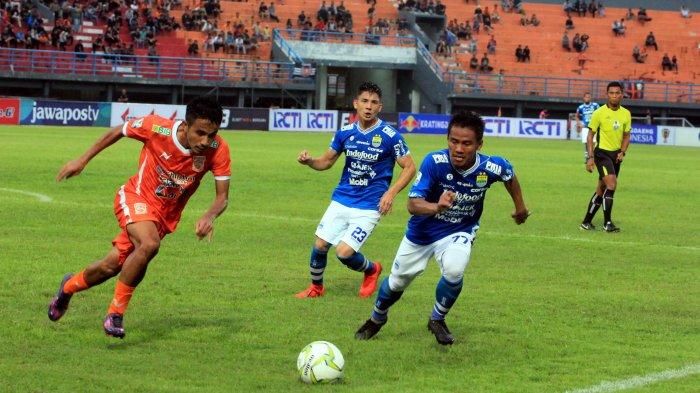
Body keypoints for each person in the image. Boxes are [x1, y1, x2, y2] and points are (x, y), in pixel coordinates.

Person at [47, 96, 231, 338]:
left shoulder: (218, 149)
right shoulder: (156, 127)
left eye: (212, 135)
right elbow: (119, 131)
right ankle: (115, 314)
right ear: (185, 126)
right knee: (149, 244)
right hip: (135, 197)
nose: (206, 141)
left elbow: (222, 198)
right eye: (200, 133)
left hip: (163, 218)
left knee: (110, 266)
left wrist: (209, 216)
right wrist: (83, 159)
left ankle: (67, 288)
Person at [354, 110, 529, 345]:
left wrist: (520, 208)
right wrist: (437, 206)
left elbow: (509, 175)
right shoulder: (434, 162)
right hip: (422, 232)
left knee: (455, 269)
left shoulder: (491, 166)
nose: (458, 148)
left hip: (459, 230)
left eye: (466, 143)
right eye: (453, 141)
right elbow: (412, 204)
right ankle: (377, 318)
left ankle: (437, 318)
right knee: (397, 282)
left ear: (479, 144)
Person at [295, 82, 416, 299]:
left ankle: (371, 270)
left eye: (374, 103)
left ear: (380, 107)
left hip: (370, 205)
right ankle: (316, 288)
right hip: (342, 198)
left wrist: (390, 193)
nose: (369, 106)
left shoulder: (390, 135)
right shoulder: (345, 133)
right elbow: (326, 162)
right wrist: (310, 161)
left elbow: (410, 167)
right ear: (355, 104)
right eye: (364, 101)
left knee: (344, 253)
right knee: (320, 244)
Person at [580, 81, 631, 233]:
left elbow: (627, 135)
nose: (614, 96)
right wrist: (590, 157)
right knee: (612, 185)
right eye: (611, 93)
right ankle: (607, 223)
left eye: (617, 93)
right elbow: (590, 136)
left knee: (602, 189)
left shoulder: (626, 114)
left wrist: (622, 151)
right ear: (607, 94)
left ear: (622, 94)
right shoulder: (599, 113)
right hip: (601, 154)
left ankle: (586, 222)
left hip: (616, 156)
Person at [575, 92, 600, 161]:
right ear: (584, 98)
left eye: (589, 97)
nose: (587, 98)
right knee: (586, 142)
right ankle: (587, 156)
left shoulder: (595, 105)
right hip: (585, 127)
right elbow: (576, 116)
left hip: (594, 127)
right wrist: (579, 123)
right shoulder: (581, 107)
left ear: (590, 98)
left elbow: (600, 114)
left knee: (594, 142)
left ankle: (593, 156)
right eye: (586, 97)